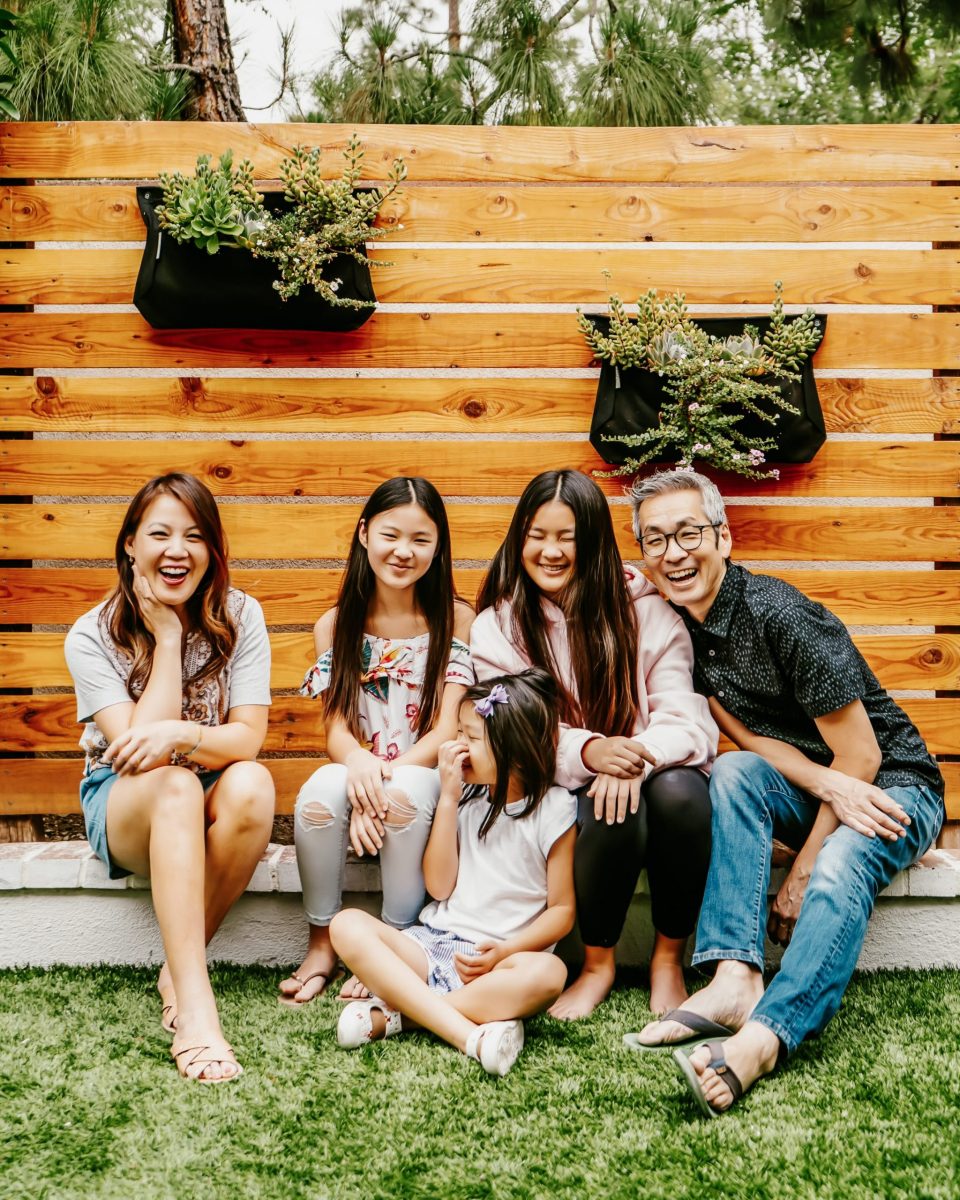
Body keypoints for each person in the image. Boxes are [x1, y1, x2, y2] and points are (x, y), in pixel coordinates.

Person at [629, 468, 945, 1116]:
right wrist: (821, 782)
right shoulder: (678, 624)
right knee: (737, 773)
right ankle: (735, 976)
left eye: (688, 533)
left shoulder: (781, 616)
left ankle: (766, 1039)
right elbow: (749, 740)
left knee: (836, 868)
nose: (673, 553)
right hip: (825, 783)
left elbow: (862, 755)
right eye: (655, 540)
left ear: (724, 538)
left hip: (894, 785)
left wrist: (800, 869)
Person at [471, 469, 718, 1020]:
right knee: (610, 810)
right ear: (519, 538)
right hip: (559, 783)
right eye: (538, 534)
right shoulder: (499, 626)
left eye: (568, 536)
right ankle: (598, 965)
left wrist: (633, 757)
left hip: (652, 772)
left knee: (681, 794)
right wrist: (589, 752)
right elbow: (509, 725)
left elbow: (687, 717)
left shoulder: (647, 609)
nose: (551, 551)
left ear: (595, 541)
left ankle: (668, 961)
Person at [64, 473, 275, 1083]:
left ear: (213, 550)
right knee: (177, 784)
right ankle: (198, 1012)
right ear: (131, 544)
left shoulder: (242, 616)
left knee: (254, 785)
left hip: (204, 786)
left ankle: (176, 972)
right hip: (126, 802)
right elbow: (139, 756)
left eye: (194, 536)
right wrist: (168, 634)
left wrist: (185, 735)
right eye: (159, 534)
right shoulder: (91, 634)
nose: (177, 550)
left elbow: (246, 741)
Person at [279, 477, 475, 1006]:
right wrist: (362, 769)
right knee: (318, 798)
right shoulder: (336, 624)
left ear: (439, 546)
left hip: (423, 769)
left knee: (405, 793)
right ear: (365, 534)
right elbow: (337, 730)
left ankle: (394, 942)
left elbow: (446, 730)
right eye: (391, 535)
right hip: (361, 766)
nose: (403, 552)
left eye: (421, 539)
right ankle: (321, 941)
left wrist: (378, 782)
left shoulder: (456, 619)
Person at [329, 670, 577, 1075]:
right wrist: (447, 798)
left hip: (499, 960)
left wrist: (508, 951)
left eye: (470, 737)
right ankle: (469, 1033)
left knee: (551, 973)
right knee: (346, 925)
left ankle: (401, 1016)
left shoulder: (554, 809)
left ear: (514, 748)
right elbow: (439, 887)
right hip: (432, 947)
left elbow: (562, 911)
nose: (455, 746)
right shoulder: (466, 801)